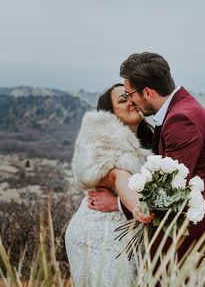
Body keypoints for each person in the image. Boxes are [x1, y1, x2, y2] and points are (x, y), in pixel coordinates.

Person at [90, 52, 205, 256]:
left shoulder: (181, 120)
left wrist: (117, 203)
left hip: (190, 230)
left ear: (147, 92)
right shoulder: (178, 110)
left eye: (130, 94)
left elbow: (169, 191)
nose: (130, 101)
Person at [65, 83, 154, 287]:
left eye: (132, 96)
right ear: (109, 115)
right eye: (123, 100)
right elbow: (118, 175)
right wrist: (137, 207)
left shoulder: (148, 141)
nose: (131, 102)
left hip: (126, 232)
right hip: (98, 232)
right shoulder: (102, 142)